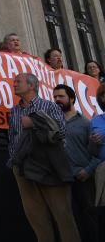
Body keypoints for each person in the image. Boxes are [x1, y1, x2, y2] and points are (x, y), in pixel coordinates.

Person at [7, 72, 79, 242]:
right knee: (36, 217)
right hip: (23, 168)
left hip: (48, 165)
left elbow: (61, 132)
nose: (14, 84)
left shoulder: (49, 106)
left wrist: (34, 123)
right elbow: (12, 137)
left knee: (63, 215)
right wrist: (14, 161)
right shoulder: (15, 111)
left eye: (18, 82)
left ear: (31, 86)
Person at [53, 84, 100, 242]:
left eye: (61, 96)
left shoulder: (86, 124)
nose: (57, 100)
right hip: (61, 179)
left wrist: (87, 170)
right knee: (67, 220)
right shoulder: (53, 123)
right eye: (55, 97)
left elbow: (98, 152)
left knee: (90, 218)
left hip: (83, 179)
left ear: (72, 98)